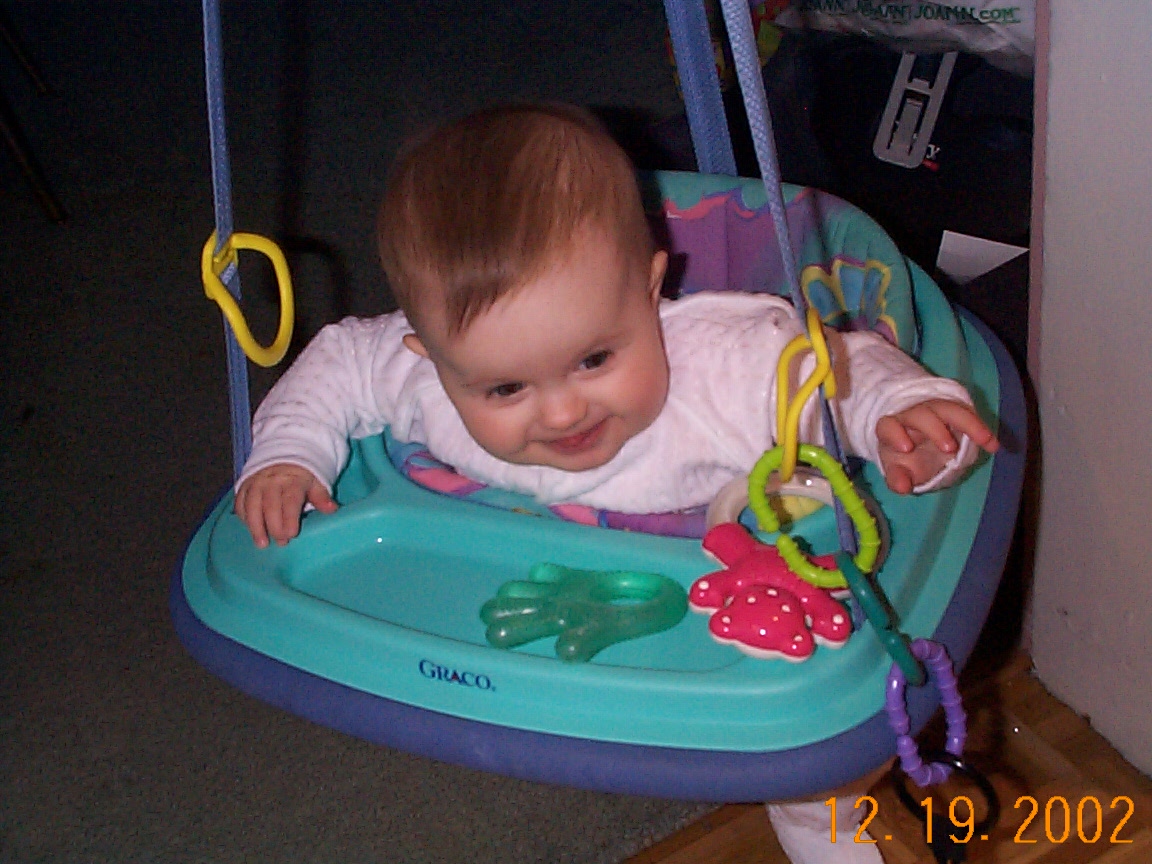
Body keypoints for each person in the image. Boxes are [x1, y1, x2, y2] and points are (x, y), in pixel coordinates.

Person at [234, 102, 998, 864]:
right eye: (506, 389)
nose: (563, 412)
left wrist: (903, 418)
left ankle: (816, 819)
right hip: (551, 580)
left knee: (805, 738)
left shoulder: (722, 367)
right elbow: (341, 362)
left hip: (727, 581)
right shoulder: (428, 378)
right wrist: (289, 453)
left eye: (594, 360)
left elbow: (830, 372)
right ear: (430, 358)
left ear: (650, 288)